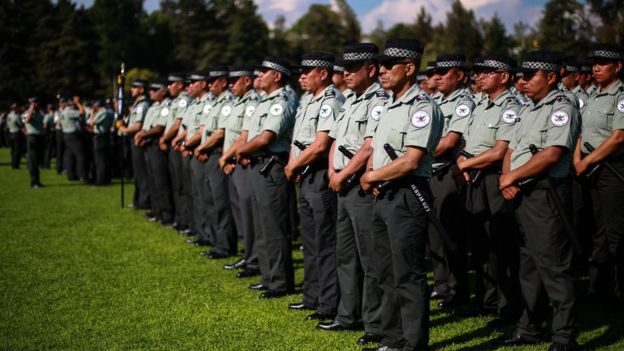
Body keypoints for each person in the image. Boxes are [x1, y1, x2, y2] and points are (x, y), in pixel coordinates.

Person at [359, 38, 443, 351]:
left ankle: (414, 343)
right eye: (379, 65)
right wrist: (376, 176)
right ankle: (392, 338)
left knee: (408, 274)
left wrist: (370, 177)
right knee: (384, 271)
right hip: (385, 193)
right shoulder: (390, 105)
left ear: (409, 68)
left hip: (408, 195)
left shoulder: (421, 108)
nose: (381, 71)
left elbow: (411, 160)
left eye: (388, 65)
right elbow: (379, 151)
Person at [497, 50, 582, 351]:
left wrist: (512, 177)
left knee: (554, 265)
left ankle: (564, 336)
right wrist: (506, 178)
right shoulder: (528, 108)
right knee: (529, 265)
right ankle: (530, 327)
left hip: (547, 193)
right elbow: (511, 149)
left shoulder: (561, 106)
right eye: (522, 75)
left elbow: (553, 153)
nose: (524, 82)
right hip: (522, 192)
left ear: (551, 76)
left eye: (531, 75)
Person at [316, 42, 386, 347]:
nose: (346, 73)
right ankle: (347, 315)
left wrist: (344, 174)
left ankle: (376, 323)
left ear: (370, 70)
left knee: (370, 259)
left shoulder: (378, 101)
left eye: (353, 68)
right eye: (345, 68)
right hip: (341, 185)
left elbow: (369, 146)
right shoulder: (351, 101)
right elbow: (334, 141)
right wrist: (333, 171)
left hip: (360, 186)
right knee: (345, 255)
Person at [457, 54, 522, 323]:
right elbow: (469, 141)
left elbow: (499, 151)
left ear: (504, 77)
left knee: (502, 244)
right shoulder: (482, 104)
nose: (479, 77)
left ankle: (508, 305)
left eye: (486, 72)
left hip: (495, 178)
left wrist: (466, 162)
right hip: (475, 177)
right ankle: (486, 299)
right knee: (480, 243)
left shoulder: (511, 106)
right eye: (478, 73)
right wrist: (464, 160)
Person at [284, 52, 344, 320]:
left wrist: (294, 165)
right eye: (301, 72)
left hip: (319, 174)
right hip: (304, 173)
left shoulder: (331, 100)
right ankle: (312, 297)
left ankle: (328, 303)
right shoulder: (308, 100)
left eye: (307, 72)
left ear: (323, 74)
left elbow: (321, 144)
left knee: (325, 242)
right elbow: (297, 138)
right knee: (309, 240)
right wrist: (293, 163)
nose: (302, 76)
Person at [236, 56, 297, 299]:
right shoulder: (265, 101)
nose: (258, 76)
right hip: (258, 165)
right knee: (263, 225)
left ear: (277, 76)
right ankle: (268, 276)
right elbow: (249, 134)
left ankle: (281, 282)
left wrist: (239, 151)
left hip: (271, 166)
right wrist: (243, 150)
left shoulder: (280, 102)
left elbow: (265, 138)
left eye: (264, 72)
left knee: (274, 227)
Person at [574, 44, 624, 310]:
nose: (595, 67)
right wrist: (578, 161)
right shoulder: (593, 95)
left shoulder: (621, 96)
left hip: (612, 170)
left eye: (603, 63)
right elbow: (581, 132)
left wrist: (587, 161)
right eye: (594, 63)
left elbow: (618, 137)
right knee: (597, 231)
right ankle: (597, 288)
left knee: (616, 233)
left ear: (617, 67)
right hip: (590, 169)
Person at [429, 54, 475, 309]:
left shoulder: (462, 102)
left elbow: (449, 141)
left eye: (443, 73)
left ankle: (459, 290)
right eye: (436, 72)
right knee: (434, 235)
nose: (436, 77)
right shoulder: (435, 101)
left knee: (452, 234)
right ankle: (441, 286)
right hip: (431, 171)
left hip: (448, 171)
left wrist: (415, 155)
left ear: (459, 76)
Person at [219, 65, 261, 276]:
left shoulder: (252, 103)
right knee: (239, 212)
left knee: (248, 214)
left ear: (246, 81)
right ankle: (247, 255)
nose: (230, 85)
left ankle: (254, 259)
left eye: (234, 81)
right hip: (233, 162)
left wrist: (227, 156)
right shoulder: (238, 102)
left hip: (241, 162)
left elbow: (244, 137)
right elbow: (229, 133)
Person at [195, 68, 237, 258]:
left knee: (220, 202)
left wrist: (202, 148)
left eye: (214, 82)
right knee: (210, 199)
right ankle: (216, 240)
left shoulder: (226, 103)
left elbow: (220, 133)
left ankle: (225, 245)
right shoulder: (216, 102)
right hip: (209, 154)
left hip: (217, 154)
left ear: (222, 82)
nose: (210, 85)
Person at [135, 82, 174, 225]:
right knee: (152, 180)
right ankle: (157, 210)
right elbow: (146, 127)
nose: (151, 93)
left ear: (163, 92)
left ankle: (167, 213)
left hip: (158, 145)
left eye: (155, 90)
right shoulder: (154, 106)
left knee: (161, 181)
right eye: (151, 90)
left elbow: (159, 128)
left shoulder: (166, 106)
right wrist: (142, 136)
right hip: (149, 145)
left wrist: (142, 135)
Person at [160, 73, 192, 232]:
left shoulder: (184, 100)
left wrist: (164, 138)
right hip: (175, 144)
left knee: (181, 185)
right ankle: (180, 219)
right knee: (176, 184)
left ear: (180, 84)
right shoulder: (177, 101)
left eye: (172, 84)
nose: (168, 87)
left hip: (179, 144)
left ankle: (185, 220)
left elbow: (178, 123)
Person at [119, 80, 150, 209]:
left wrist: (123, 130)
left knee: (141, 173)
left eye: (135, 87)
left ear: (142, 90)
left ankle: (144, 201)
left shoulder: (142, 105)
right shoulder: (136, 105)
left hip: (138, 140)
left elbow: (137, 126)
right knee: (137, 172)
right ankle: (138, 200)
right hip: (132, 140)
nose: (132, 90)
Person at [60, 96, 87, 182]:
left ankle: (71, 174)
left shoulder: (63, 112)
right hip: (72, 135)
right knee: (80, 155)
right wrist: (78, 103)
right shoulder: (69, 111)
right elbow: (82, 112)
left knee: (70, 156)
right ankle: (82, 175)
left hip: (66, 134)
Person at [89, 100, 114, 185]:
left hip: (100, 136)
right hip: (104, 136)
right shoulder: (108, 112)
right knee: (104, 159)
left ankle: (101, 180)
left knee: (100, 160)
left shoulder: (102, 113)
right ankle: (106, 178)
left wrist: (92, 113)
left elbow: (91, 123)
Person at [23, 97, 45, 187]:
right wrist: (31, 109)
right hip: (32, 137)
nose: (36, 104)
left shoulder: (39, 113)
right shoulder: (27, 113)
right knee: (33, 161)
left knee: (38, 160)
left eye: (36, 102)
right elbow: (27, 120)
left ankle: (37, 181)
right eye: (33, 103)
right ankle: (34, 182)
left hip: (39, 137)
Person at [7, 103, 24, 169]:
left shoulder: (9, 115)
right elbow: (20, 124)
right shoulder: (17, 116)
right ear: (15, 108)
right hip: (16, 133)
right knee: (17, 150)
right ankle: (15, 165)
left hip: (10, 133)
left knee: (13, 150)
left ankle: (13, 163)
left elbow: (8, 125)